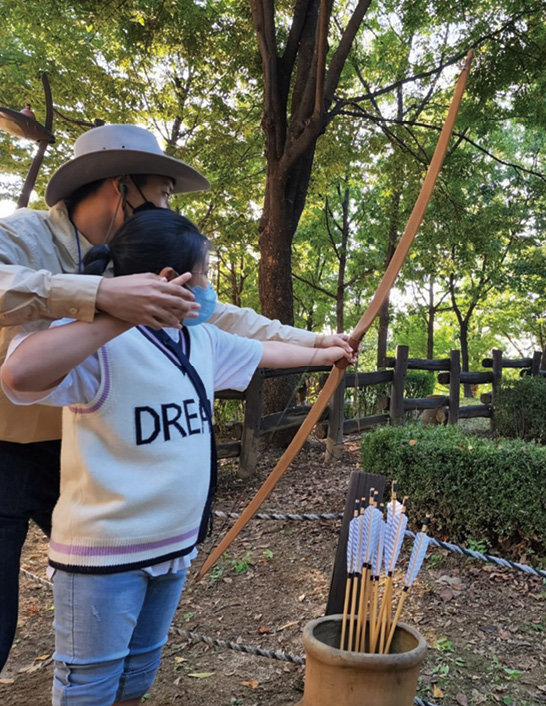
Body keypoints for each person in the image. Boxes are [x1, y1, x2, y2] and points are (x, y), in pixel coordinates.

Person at [0, 123, 353, 672]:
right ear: (122, 187)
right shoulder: (25, 234)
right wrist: (100, 294)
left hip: (93, 454)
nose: (167, 206)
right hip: (6, 441)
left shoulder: (146, 253)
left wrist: (315, 343)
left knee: (116, 579)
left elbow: (218, 320)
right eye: (162, 193)